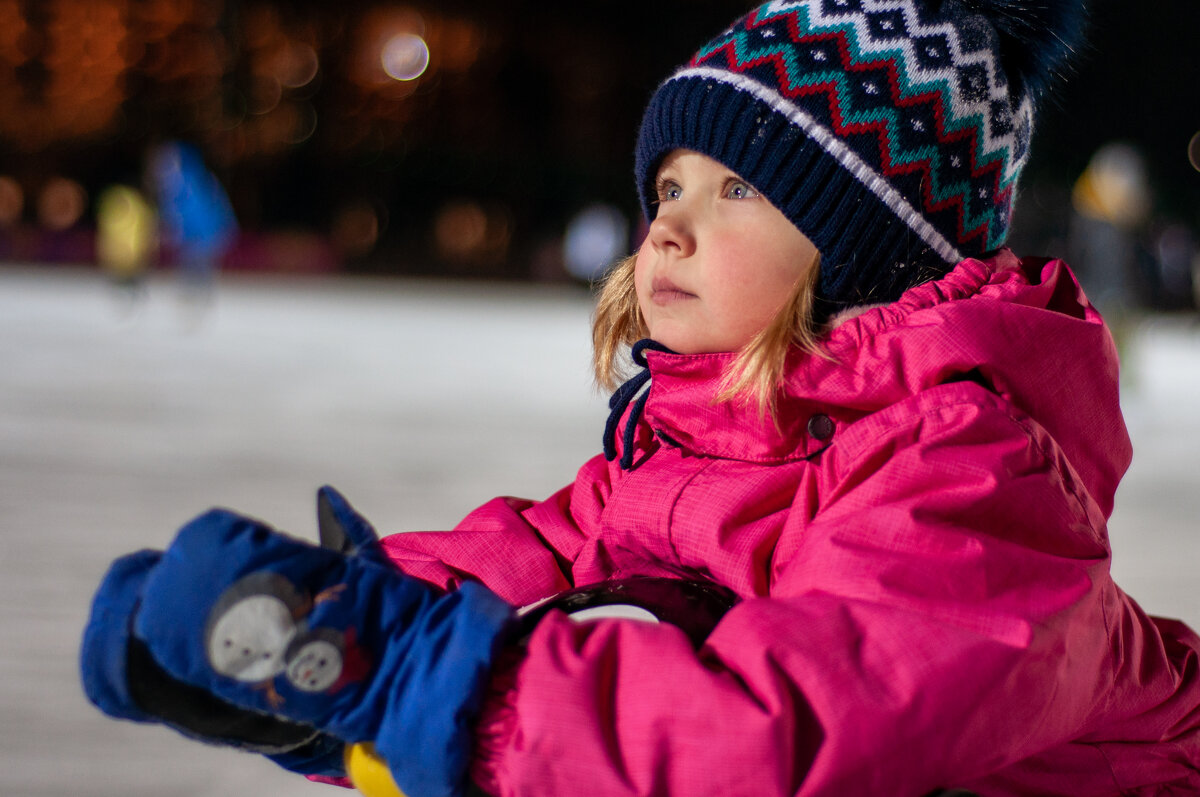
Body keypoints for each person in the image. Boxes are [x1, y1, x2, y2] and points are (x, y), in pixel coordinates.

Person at [81, 2, 1200, 796]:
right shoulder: (687, 441)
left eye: (737, 188)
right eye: (668, 185)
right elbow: (533, 562)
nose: (668, 224)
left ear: (869, 254)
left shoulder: (975, 474)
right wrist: (321, 632)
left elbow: (785, 734)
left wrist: (405, 674)